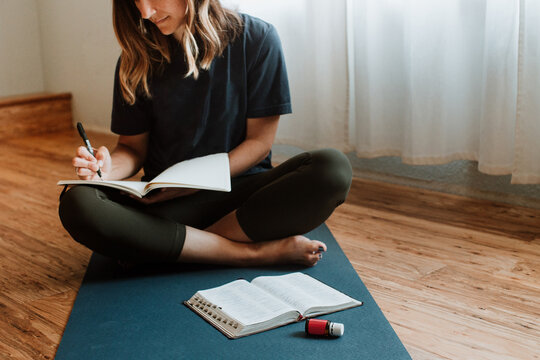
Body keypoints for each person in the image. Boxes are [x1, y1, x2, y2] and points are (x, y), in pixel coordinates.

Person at [59, 0, 352, 267]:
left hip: (241, 197)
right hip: (168, 204)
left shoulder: (258, 39)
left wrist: (192, 184)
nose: (145, 13)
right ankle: (250, 252)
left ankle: (179, 245)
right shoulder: (135, 60)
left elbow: (259, 143)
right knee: (77, 202)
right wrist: (106, 170)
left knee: (332, 168)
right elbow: (133, 149)